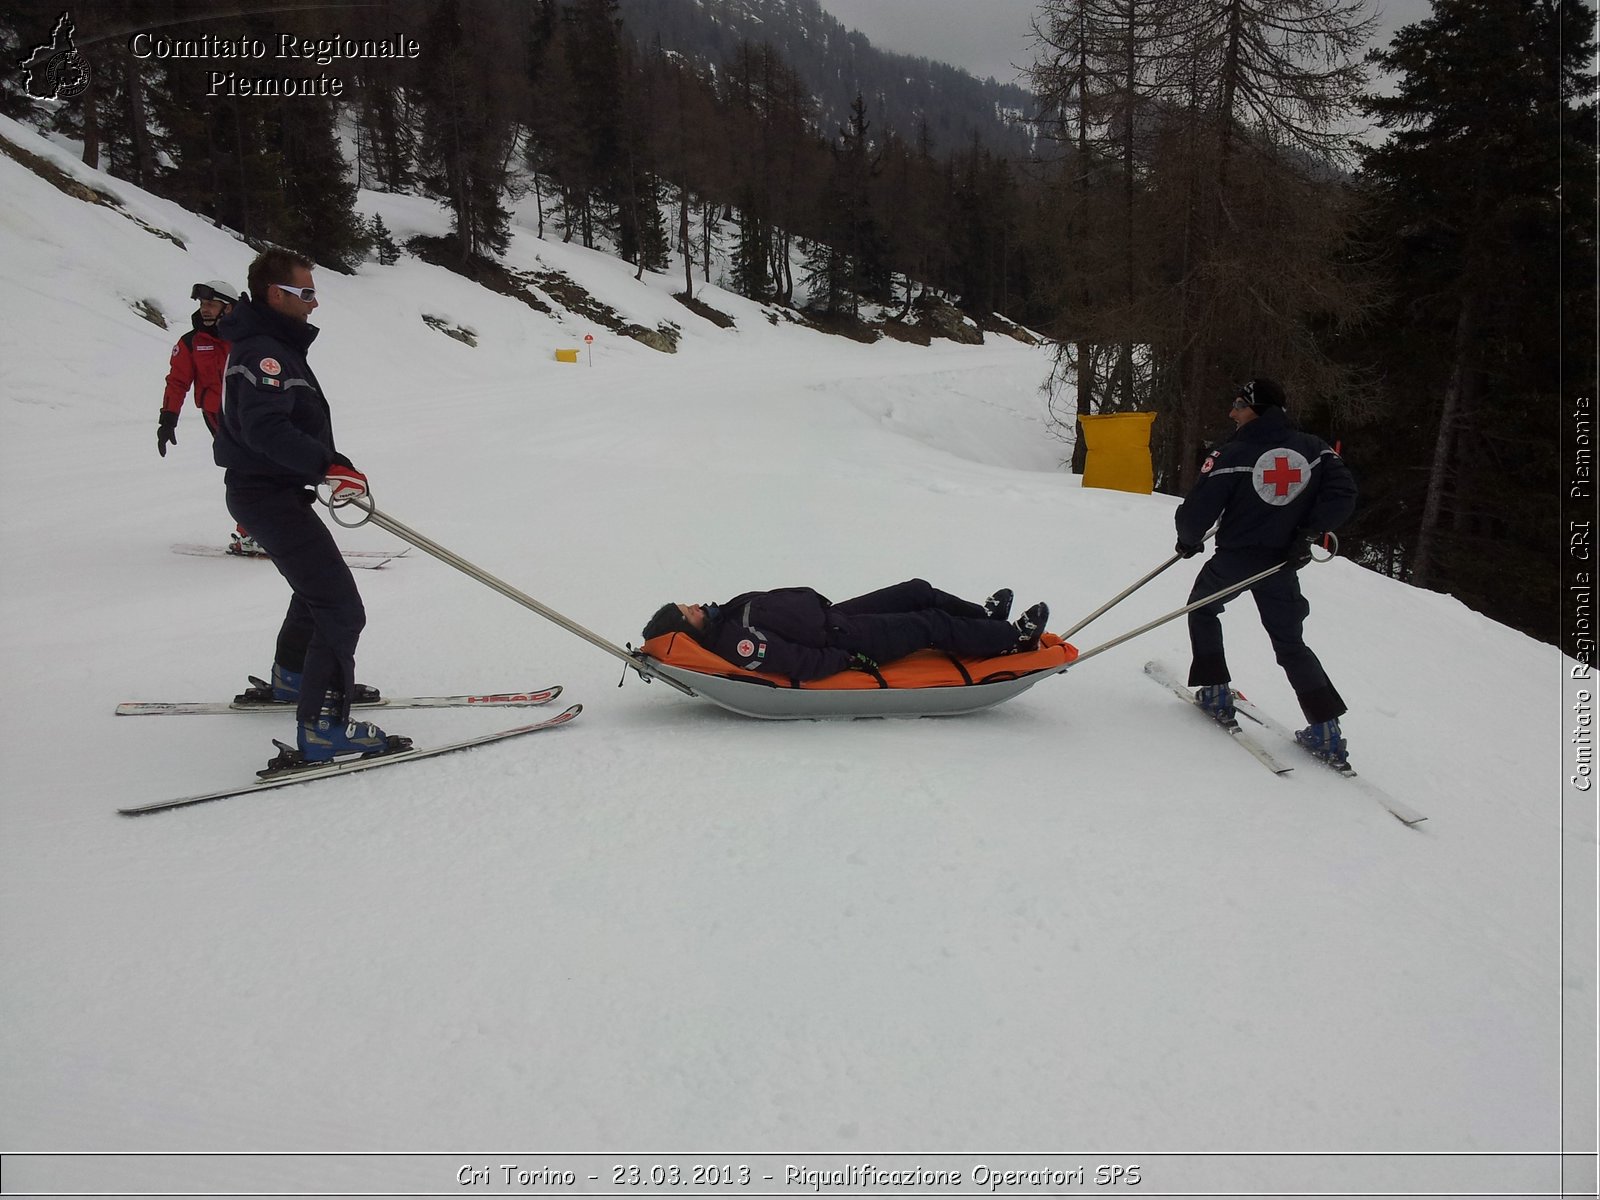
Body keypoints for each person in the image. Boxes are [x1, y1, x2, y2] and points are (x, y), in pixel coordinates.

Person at [213, 249, 403, 765]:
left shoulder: (272, 344)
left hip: (273, 492)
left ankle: (294, 677)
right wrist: (327, 464)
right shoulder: (263, 354)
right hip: (265, 494)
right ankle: (323, 728)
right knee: (341, 607)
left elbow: (280, 426)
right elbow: (266, 428)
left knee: (317, 588)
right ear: (277, 295)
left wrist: (324, 464)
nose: (315, 304)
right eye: (307, 293)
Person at [1173, 377, 1358, 762]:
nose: (1232, 412)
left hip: (1236, 559)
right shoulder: (1314, 449)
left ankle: (1216, 690)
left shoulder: (1231, 453)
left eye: (1238, 405)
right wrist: (1306, 533)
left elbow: (1198, 508)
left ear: (1256, 409)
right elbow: (1343, 493)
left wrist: (1189, 538)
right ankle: (1326, 729)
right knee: (1290, 642)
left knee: (1201, 609)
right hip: (1282, 562)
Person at [641, 580, 1049, 683]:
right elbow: (797, 662)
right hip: (844, 638)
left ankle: (984, 619)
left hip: (834, 615)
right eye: (687, 612)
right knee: (928, 624)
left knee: (917, 590)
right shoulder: (737, 642)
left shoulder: (722, 618)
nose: (694, 605)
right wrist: (846, 659)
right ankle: (1011, 640)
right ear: (688, 631)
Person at [157, 280, 262, 555]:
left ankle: (264, 528)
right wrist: (168, 419)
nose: (205, 309)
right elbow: (177, 381)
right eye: (203, 304)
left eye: (211, 304)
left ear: (228, 307)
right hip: (218, 416)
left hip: (252, 411)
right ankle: (250, 533)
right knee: (246, 468)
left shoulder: (248, 336)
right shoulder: (191, 342)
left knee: (267, 467)